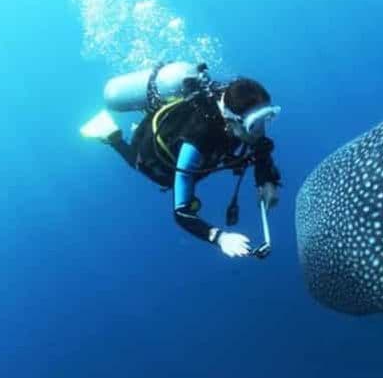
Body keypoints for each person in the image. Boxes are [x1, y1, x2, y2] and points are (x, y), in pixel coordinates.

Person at [84, 65, 282, 259]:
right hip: (153, 154)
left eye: (267, 118)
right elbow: (181, 213)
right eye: (254, 125)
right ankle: (113, 137)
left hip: (197, 133)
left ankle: (151, 110)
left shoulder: (239, 116)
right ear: (231, 119)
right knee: (151, 171)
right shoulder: (198, 139)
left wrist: (267, 180)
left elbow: (260, 146)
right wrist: (220, 238)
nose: (261, 130)